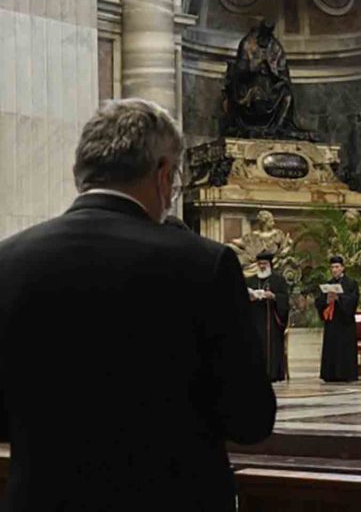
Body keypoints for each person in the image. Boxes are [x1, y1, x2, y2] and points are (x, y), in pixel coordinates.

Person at [0, 99, 276, 511]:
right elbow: (250, 419)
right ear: (163, 174)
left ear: (80, 172)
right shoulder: (204, 264)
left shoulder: (8, 261)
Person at [314, 255, 360, 382]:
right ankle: (330, 374)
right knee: (331, 348)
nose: (334, 270)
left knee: (344, 349)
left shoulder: (351, 283)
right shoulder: (328, 283)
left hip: (345, 323)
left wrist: (339, 298)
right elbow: (318, 301)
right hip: (332, 323)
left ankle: (345, 374)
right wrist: (326, 300)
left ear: (343, 268)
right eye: (332, 267)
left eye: (337, 267)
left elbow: (353, 301)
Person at [247, 252, 290, 382]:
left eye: (264, 264)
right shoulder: (250, 280)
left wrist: (274, 297)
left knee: (272, 344)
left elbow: (285, 300)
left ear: (270, 265)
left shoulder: (278, 280)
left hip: (272, 320)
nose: (262, 267)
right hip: (255, 319)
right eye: (259, 264)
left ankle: (273, 373)